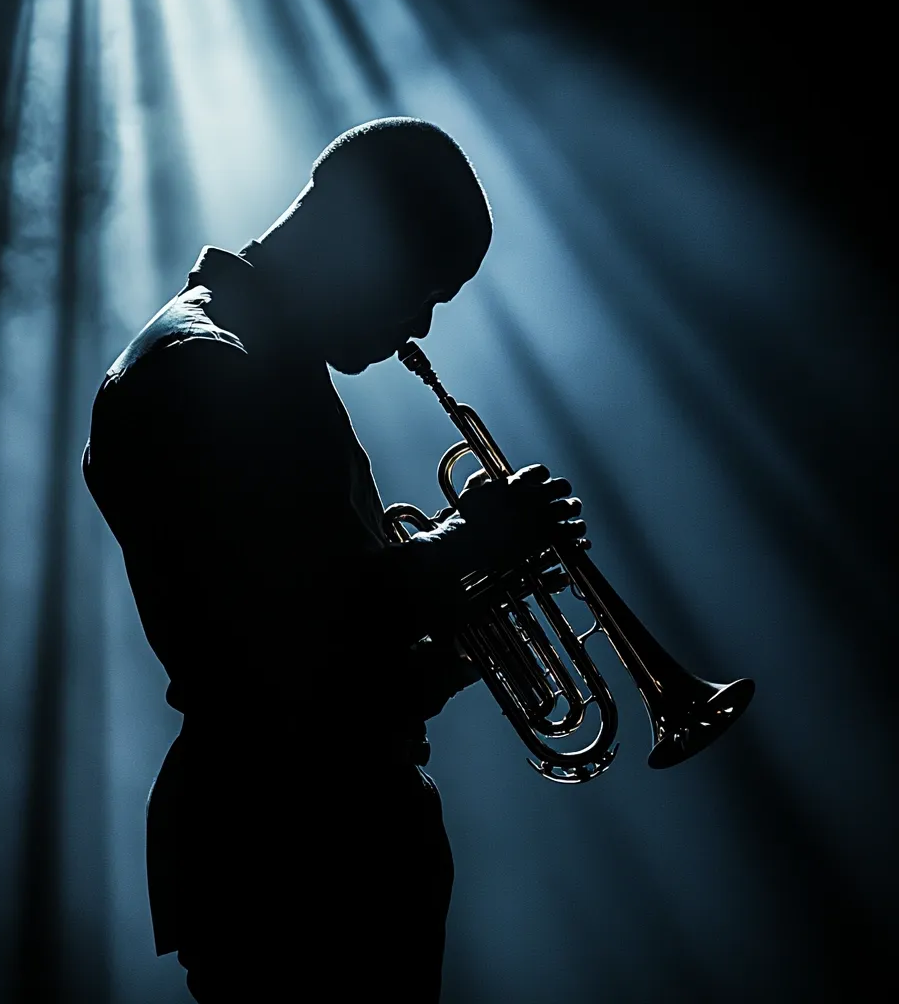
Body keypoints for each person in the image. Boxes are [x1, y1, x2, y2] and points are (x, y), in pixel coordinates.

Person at [82, 117, 585, 1002]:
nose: (418, 326)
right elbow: (294, 615)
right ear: (365, 231)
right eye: (425, 288)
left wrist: (470, 629)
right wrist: (471, 541)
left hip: (329, 832)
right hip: (289, 853)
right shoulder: (203, 365)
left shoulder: (266, 361)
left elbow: (327, 656)